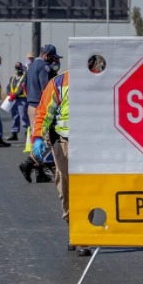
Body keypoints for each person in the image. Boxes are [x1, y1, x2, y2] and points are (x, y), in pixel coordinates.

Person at [32, 70, 91, 256]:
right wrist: (37, 138)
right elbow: (44, 112)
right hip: (63, 143)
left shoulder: (98, 78)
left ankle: (83, 236)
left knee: (85, 190)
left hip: (89, 144)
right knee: (65, 189)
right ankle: (73, 227)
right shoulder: (59, 83)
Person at [18, 44, 62, 181]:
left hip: (31, 105)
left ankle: (40, 173)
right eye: (53, 58)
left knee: (37, 136)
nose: (54, 61)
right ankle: (29, 162)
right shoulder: (43, 66)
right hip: (41, 107)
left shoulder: (31, 67)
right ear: (47, 55)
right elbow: (46, 89)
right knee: (46, 139)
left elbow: (23, 85)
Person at [5, 62, 28, 141]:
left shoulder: (24, 77)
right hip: (13, 100)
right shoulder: (12, 78)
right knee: (15, 117)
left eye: (19, 68)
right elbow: (8, 87)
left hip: (22, 100)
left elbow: (22, 88)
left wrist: (15, 94)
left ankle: (26, 133)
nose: (17, 70)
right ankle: (14, 133)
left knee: (23, 117)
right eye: (16, 68)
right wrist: (9, 94)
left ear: (22, 69)